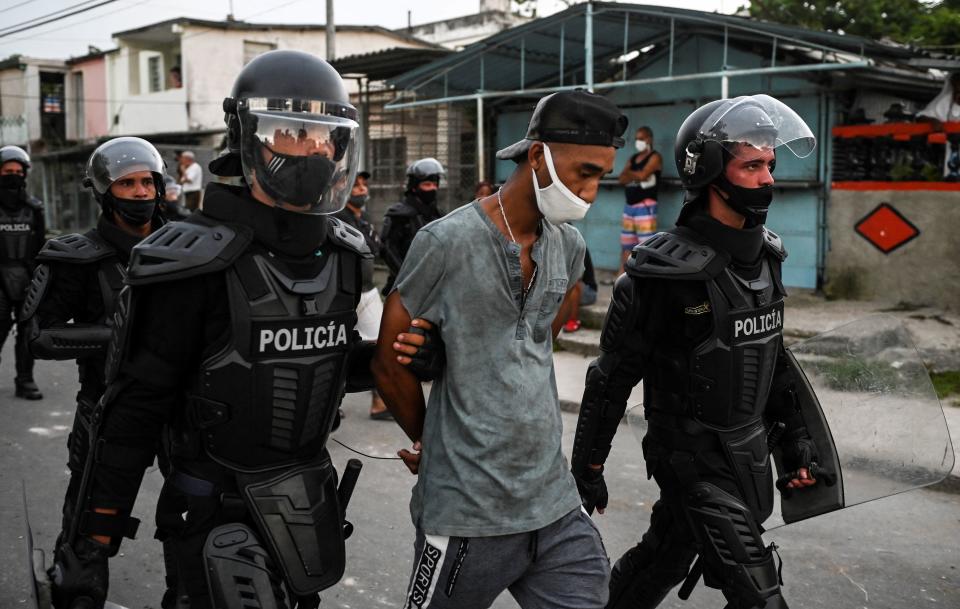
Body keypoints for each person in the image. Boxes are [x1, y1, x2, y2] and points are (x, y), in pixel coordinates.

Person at [45, 49, 414, 609]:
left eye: (325, 137)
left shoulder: (344, 254)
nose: (313, 149)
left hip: (306, 500)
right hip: (214, 502)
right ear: (248, 137)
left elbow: (324, 362)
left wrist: (405, 358)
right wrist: (91, 542)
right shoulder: (188, 262)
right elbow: (133, 411)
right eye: (293, 132)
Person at [373, 89, 629, 609]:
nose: (592, 190)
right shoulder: (445, 242)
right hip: (466, 512)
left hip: (552, 502)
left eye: (601, 175)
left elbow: (539, 340)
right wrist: (431, 440)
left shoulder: (570, 247)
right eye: (583, 172)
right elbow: (387, 361)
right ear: (538, 157)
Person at [570, 94, 822, 609]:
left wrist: (796, 445)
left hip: (746, 454)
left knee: (660, 560)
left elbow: (771, 361)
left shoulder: (768, 258)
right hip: (691, 462)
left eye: (769, 165)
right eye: (751, 166)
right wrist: (588, 468)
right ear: (709, 172)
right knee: (761, 597)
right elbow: (611, 379)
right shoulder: (660, 275)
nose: (767, 179)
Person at [20, 137, 181, 608]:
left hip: (182, 410)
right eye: (126, 183)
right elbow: (39, 335)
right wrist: (123, 335)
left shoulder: (191, 246)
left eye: (146, 181)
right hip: (108, 407)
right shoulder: (76, 256)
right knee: (92, 521)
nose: (138, 191)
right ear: (104, 191)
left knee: (194, 516)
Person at [334, 170, 391, 419]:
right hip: (342, 293)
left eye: (363, 185)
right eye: (354, 185)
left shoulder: (363, 218)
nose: (361, 189)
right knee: (337, 347)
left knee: (381, 345)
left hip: (367, 292)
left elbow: (376, 247)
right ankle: (331, 402)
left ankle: (379, 403)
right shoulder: (337, 217)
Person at [0, 145, 45, 400]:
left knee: (28, 335)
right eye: (8, 171)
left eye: (18, 171)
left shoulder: (34, 208)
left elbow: (40, 248)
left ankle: (25, 380)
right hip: (0, 278)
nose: (14, 175)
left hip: (27, 278)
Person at [380, 157, 445, 295]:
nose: (432, 189)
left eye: (435, 185)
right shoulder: (399, 214)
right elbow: (388, 250)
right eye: (427, 185)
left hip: (434, 284)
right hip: (405, 286)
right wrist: (406, 278)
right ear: (415, 187)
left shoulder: (437, 214)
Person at [617, 126, 661, 275]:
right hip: (629, 207)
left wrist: (631, 173)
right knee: (626, 245)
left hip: (645, 207)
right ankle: (622, 277)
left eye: (641, 138)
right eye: (636, 139)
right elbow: (621, 178)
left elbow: (642, 175)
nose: (638, 142)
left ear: (649, 139)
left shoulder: (655, 157)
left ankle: (643, 277)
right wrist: (636, 174)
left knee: (645, 246)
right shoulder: (633, 158)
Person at [561, 246, 598, 333]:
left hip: (588, 292)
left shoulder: (577, 246)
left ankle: (573, 321)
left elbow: (577, 277)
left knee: (572, 282)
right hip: (562, 290)